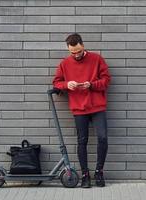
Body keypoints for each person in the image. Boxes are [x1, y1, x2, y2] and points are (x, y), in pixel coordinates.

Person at [52, 33, 111, 188]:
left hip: (97, 106)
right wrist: (67, 85)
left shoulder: (97, 59)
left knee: (103, 138)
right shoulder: (65, 64)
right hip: (79, 108)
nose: (76, 55)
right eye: (72, 52)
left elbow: (106, 81)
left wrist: (91, 84)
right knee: (82, 141)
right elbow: (56, 82)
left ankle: (99, 172)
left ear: (82, 45)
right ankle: (85, 175)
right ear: (68, 49)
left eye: (78, 51)